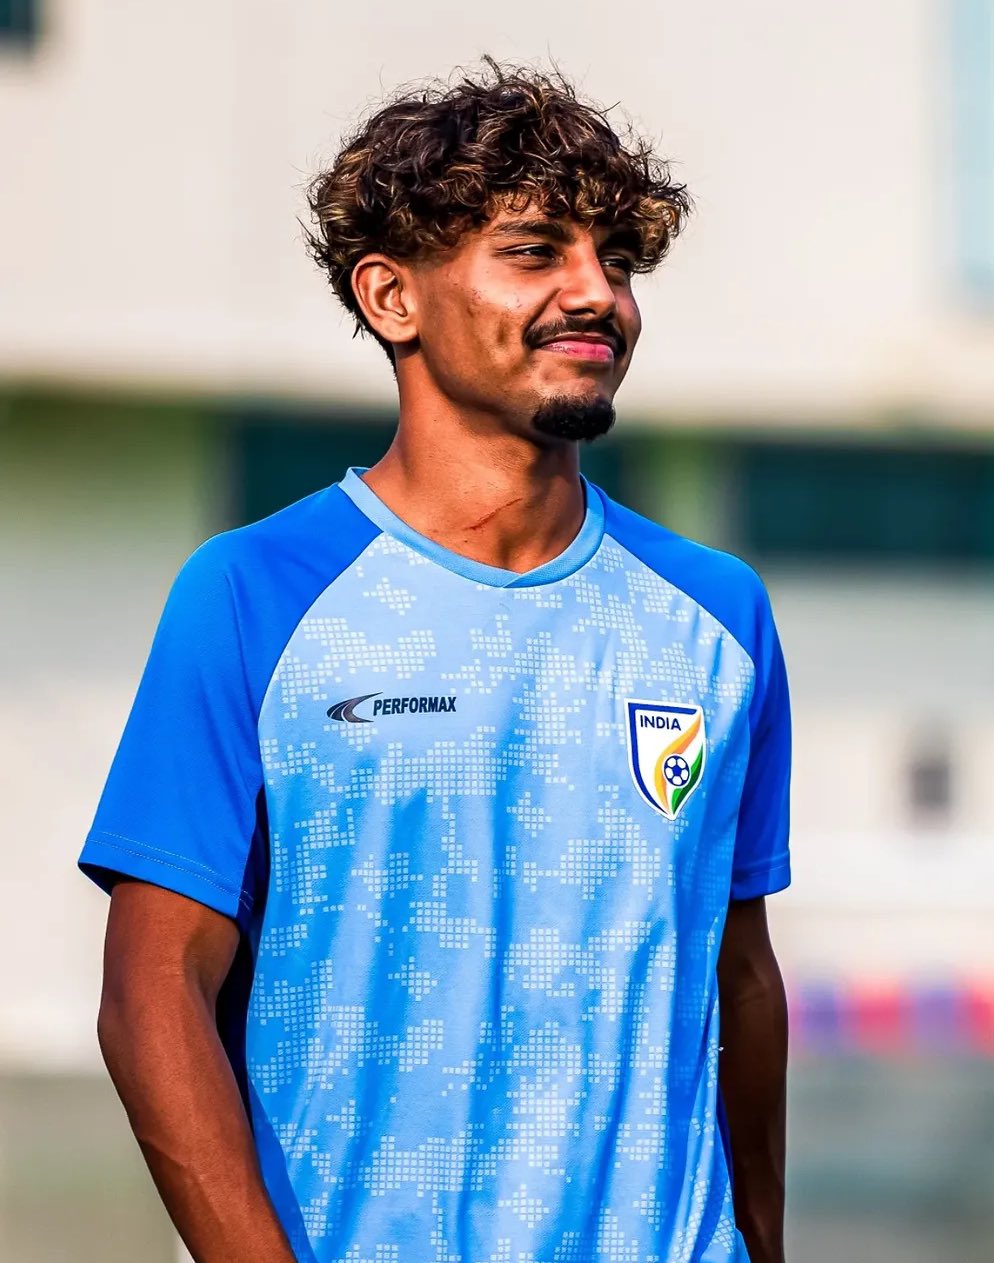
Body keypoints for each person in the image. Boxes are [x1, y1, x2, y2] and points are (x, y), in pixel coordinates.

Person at [81, 61, 792, 1263]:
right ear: (392, 295)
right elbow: (152, 997)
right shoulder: (254, 595)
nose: (597, 294)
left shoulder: (718, 617)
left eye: (617, 260)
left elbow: (744, 978)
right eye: (535, 253)